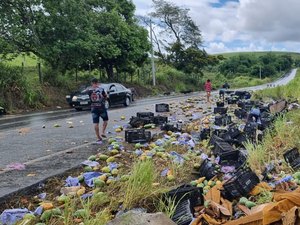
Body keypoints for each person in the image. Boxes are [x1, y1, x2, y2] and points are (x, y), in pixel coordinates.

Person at [86, 78, 109, 144]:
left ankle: (98, 137)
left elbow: (86, 95)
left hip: (94, 108)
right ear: (98, 82)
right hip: (101, 107)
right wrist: (106, 96)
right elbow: (105, 97)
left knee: (96, 123)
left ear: (92, 83)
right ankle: (103, 132)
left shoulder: (89, 90)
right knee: (105, 120)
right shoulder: (101, 89)